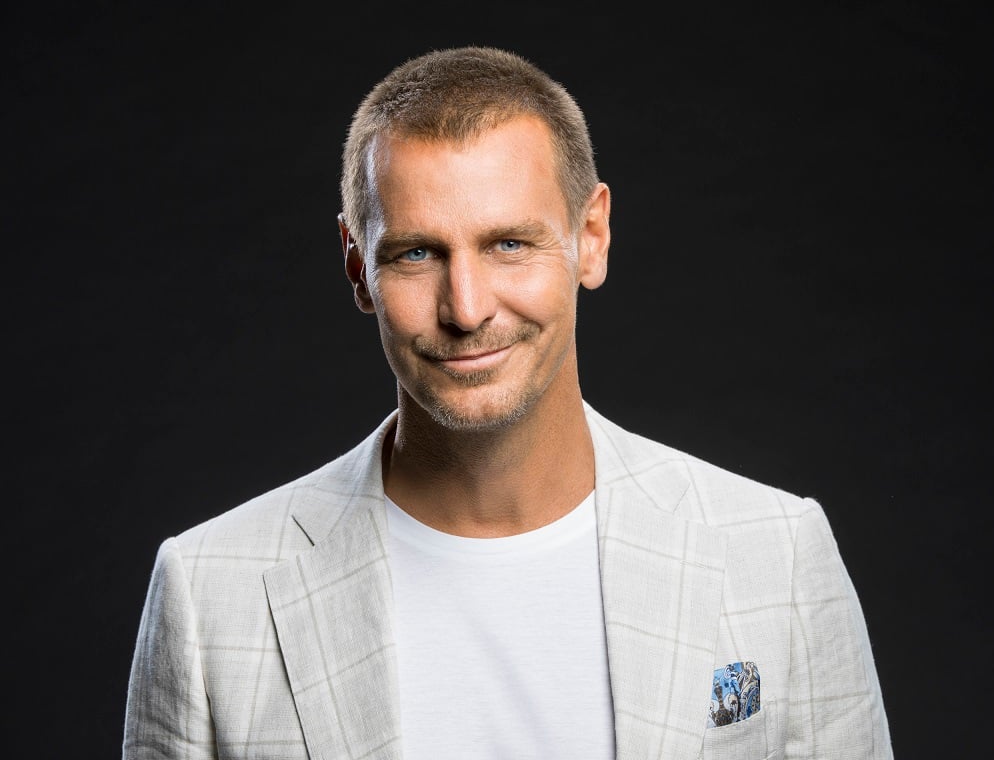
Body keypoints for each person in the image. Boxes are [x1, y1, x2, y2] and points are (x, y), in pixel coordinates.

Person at [122, 45, 893, 760]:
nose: (467, 307)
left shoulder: (777, 555)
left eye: (509, 245)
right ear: (358, 268)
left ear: (590, 237)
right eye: (417, 252)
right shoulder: (210, 594)